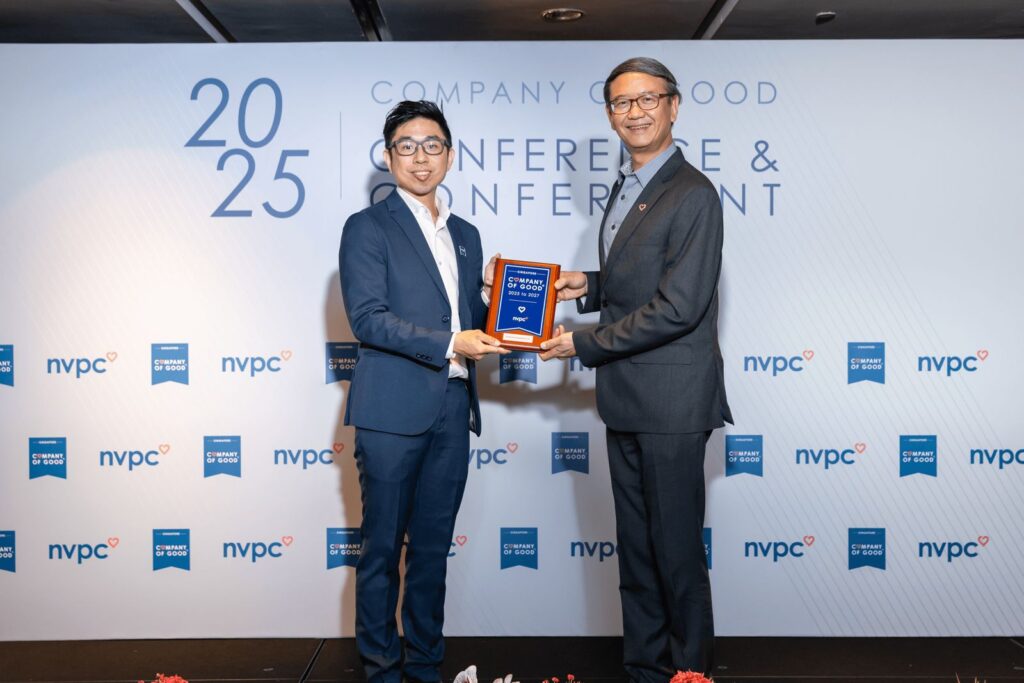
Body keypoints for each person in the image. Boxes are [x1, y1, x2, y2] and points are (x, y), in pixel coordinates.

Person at [539, 57, 733, 679]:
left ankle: (690, 673)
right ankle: (646, 671)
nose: (636, 111)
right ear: (610, 115)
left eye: (649, 99)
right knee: (638, 556)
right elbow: (640, 275)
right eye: (622, 102)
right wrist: (589, 285)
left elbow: (679, 306)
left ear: (674, 106)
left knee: (675, 555)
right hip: (627, 399)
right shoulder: (629, 183)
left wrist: (584, 343)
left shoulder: (693, 193)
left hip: (671, 403)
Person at [339, 100, 507, 683]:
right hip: (390, 411)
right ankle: (381, 671)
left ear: (450, 155)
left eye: (432, 145)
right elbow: (368, 319)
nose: (420, 157)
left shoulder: (466, 234)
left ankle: (426, 667)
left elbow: (467, 320)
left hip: (452, 408)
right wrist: (452, 341)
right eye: (406, 146)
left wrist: (499, 300)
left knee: (433, 551)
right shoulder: (368, 227)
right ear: (389, 158)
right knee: (382, 549)